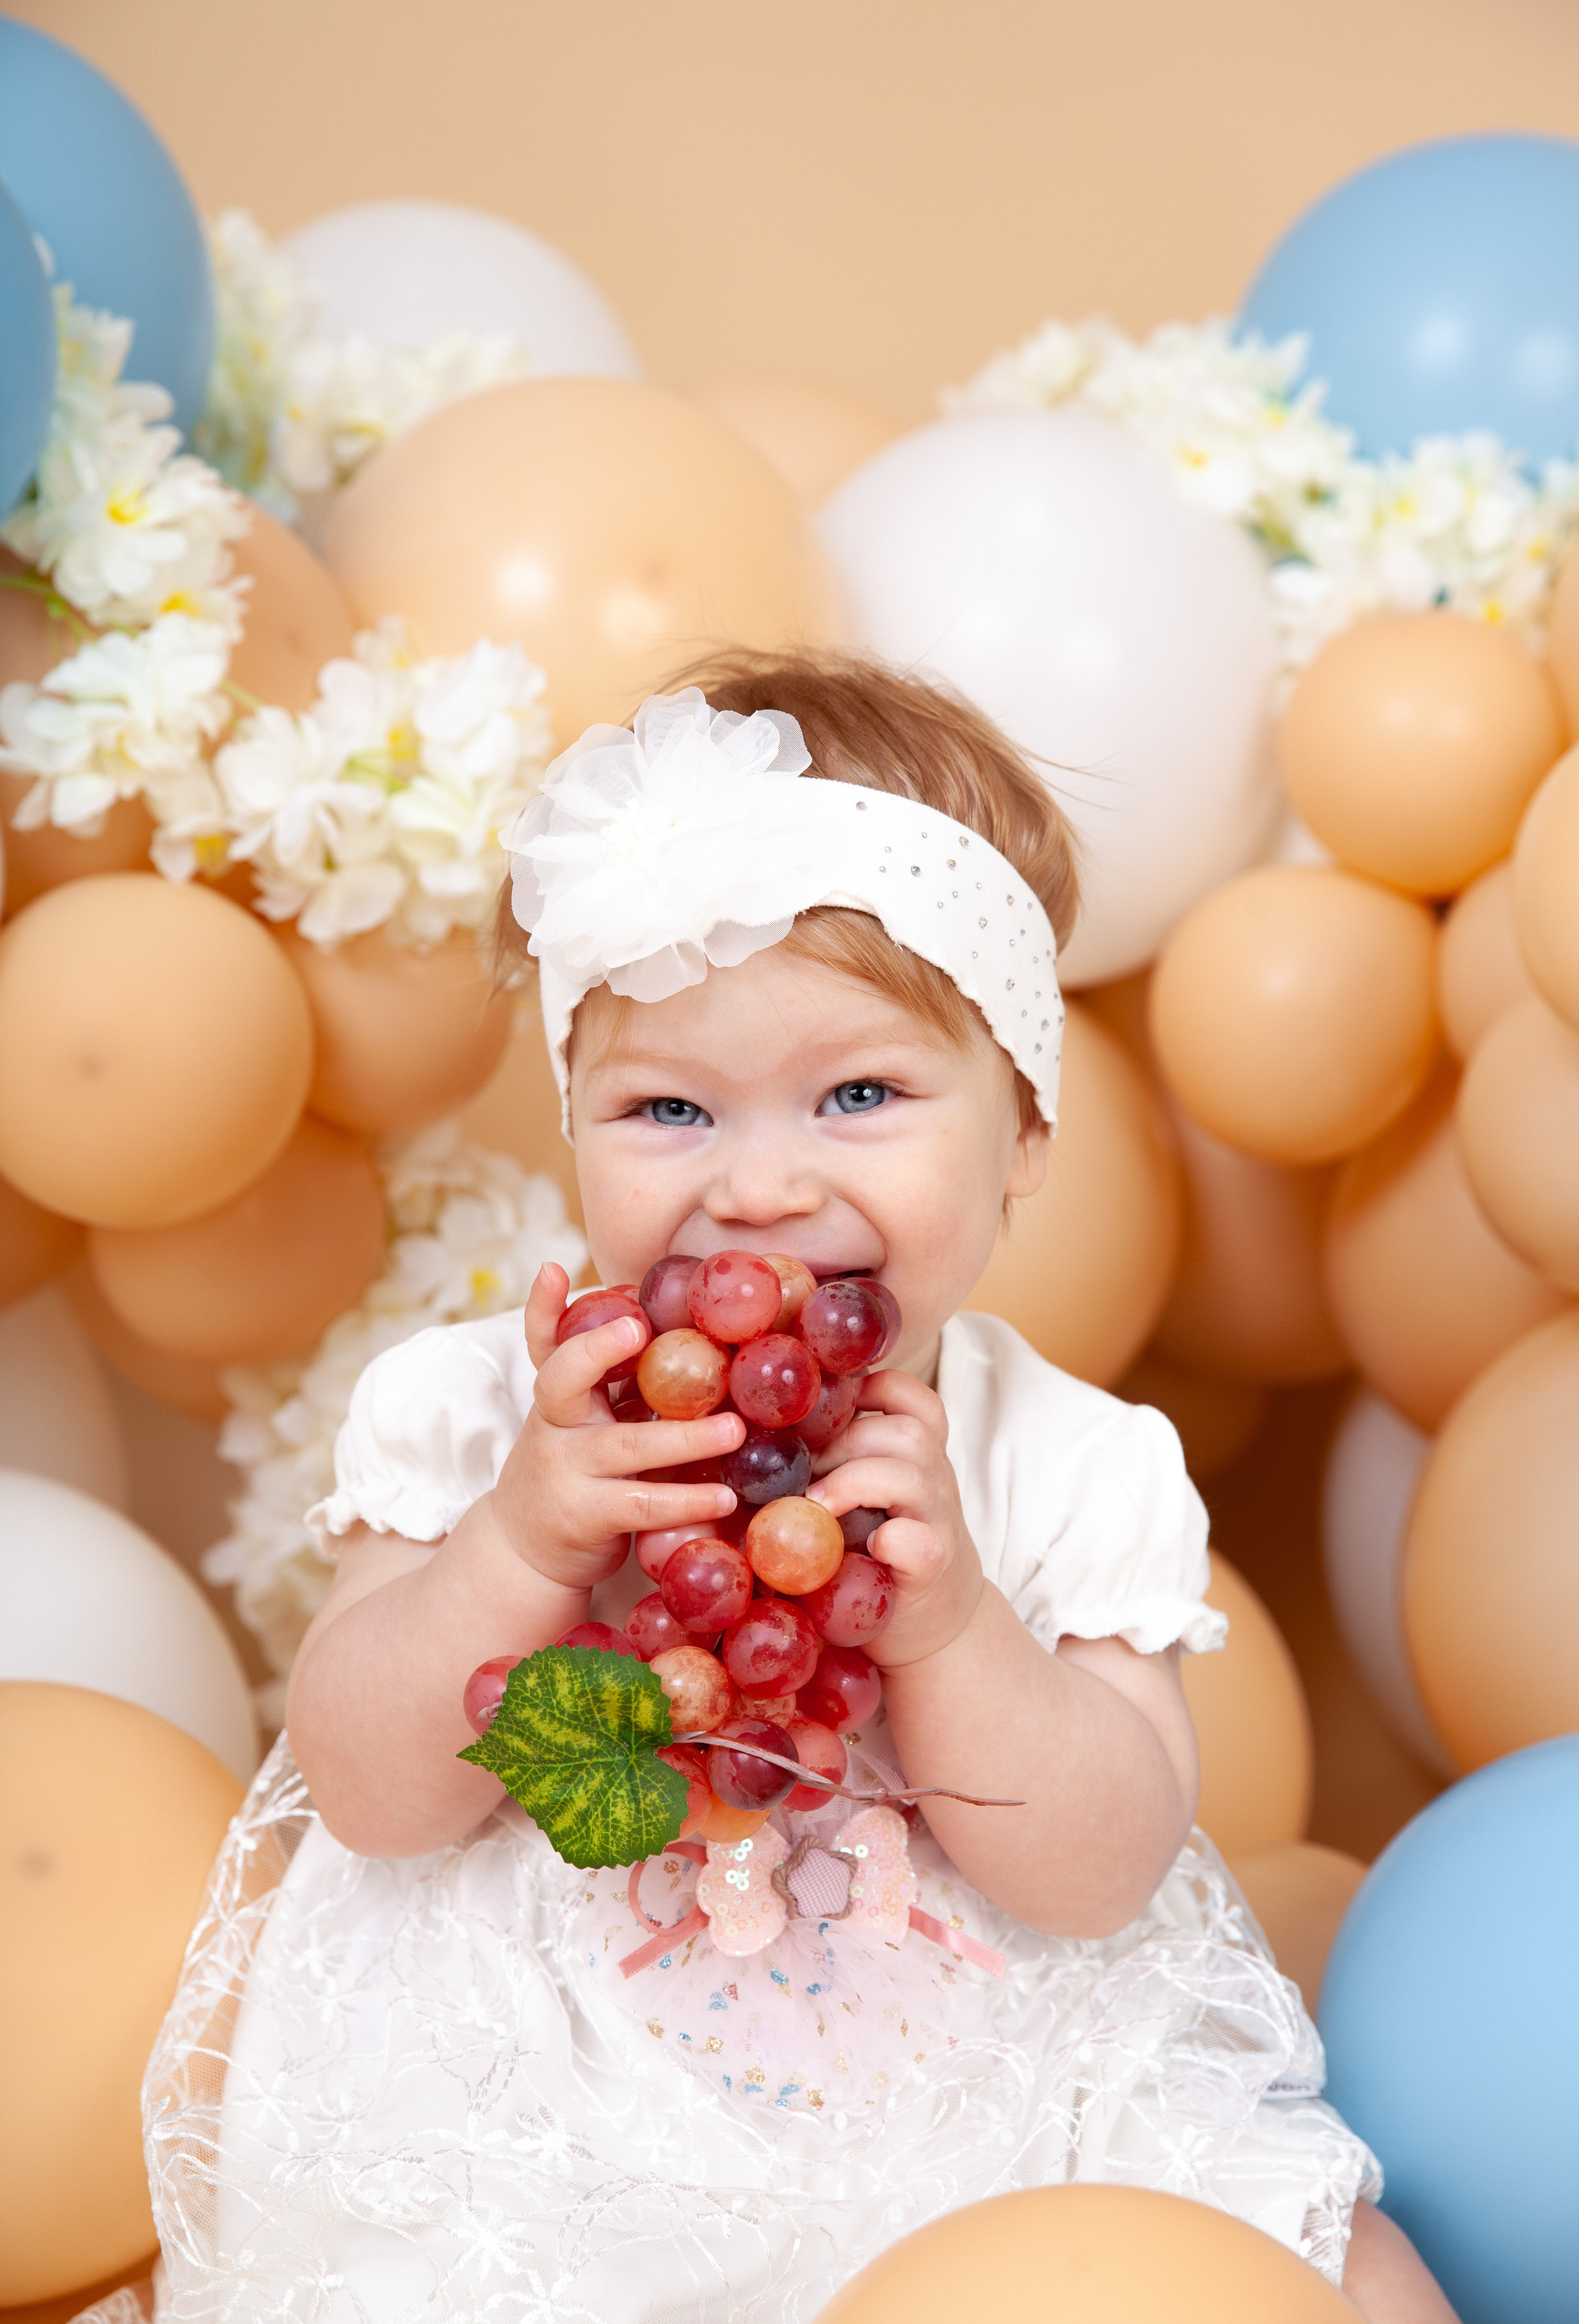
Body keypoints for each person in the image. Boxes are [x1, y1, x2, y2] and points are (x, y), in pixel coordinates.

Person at [123, 658, 1456, 2323]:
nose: (760, 1185)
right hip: (563, 2110)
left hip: (987, 2093)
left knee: (1352, 2278)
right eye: (668, 1106)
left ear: (1024, 1128)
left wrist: (956, 1625)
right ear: (572, 1131)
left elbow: (1099, 1869)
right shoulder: (471, 1415)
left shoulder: (1070, 1464)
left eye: (861, 1096)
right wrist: (523, 1540)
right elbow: (376, 1796)